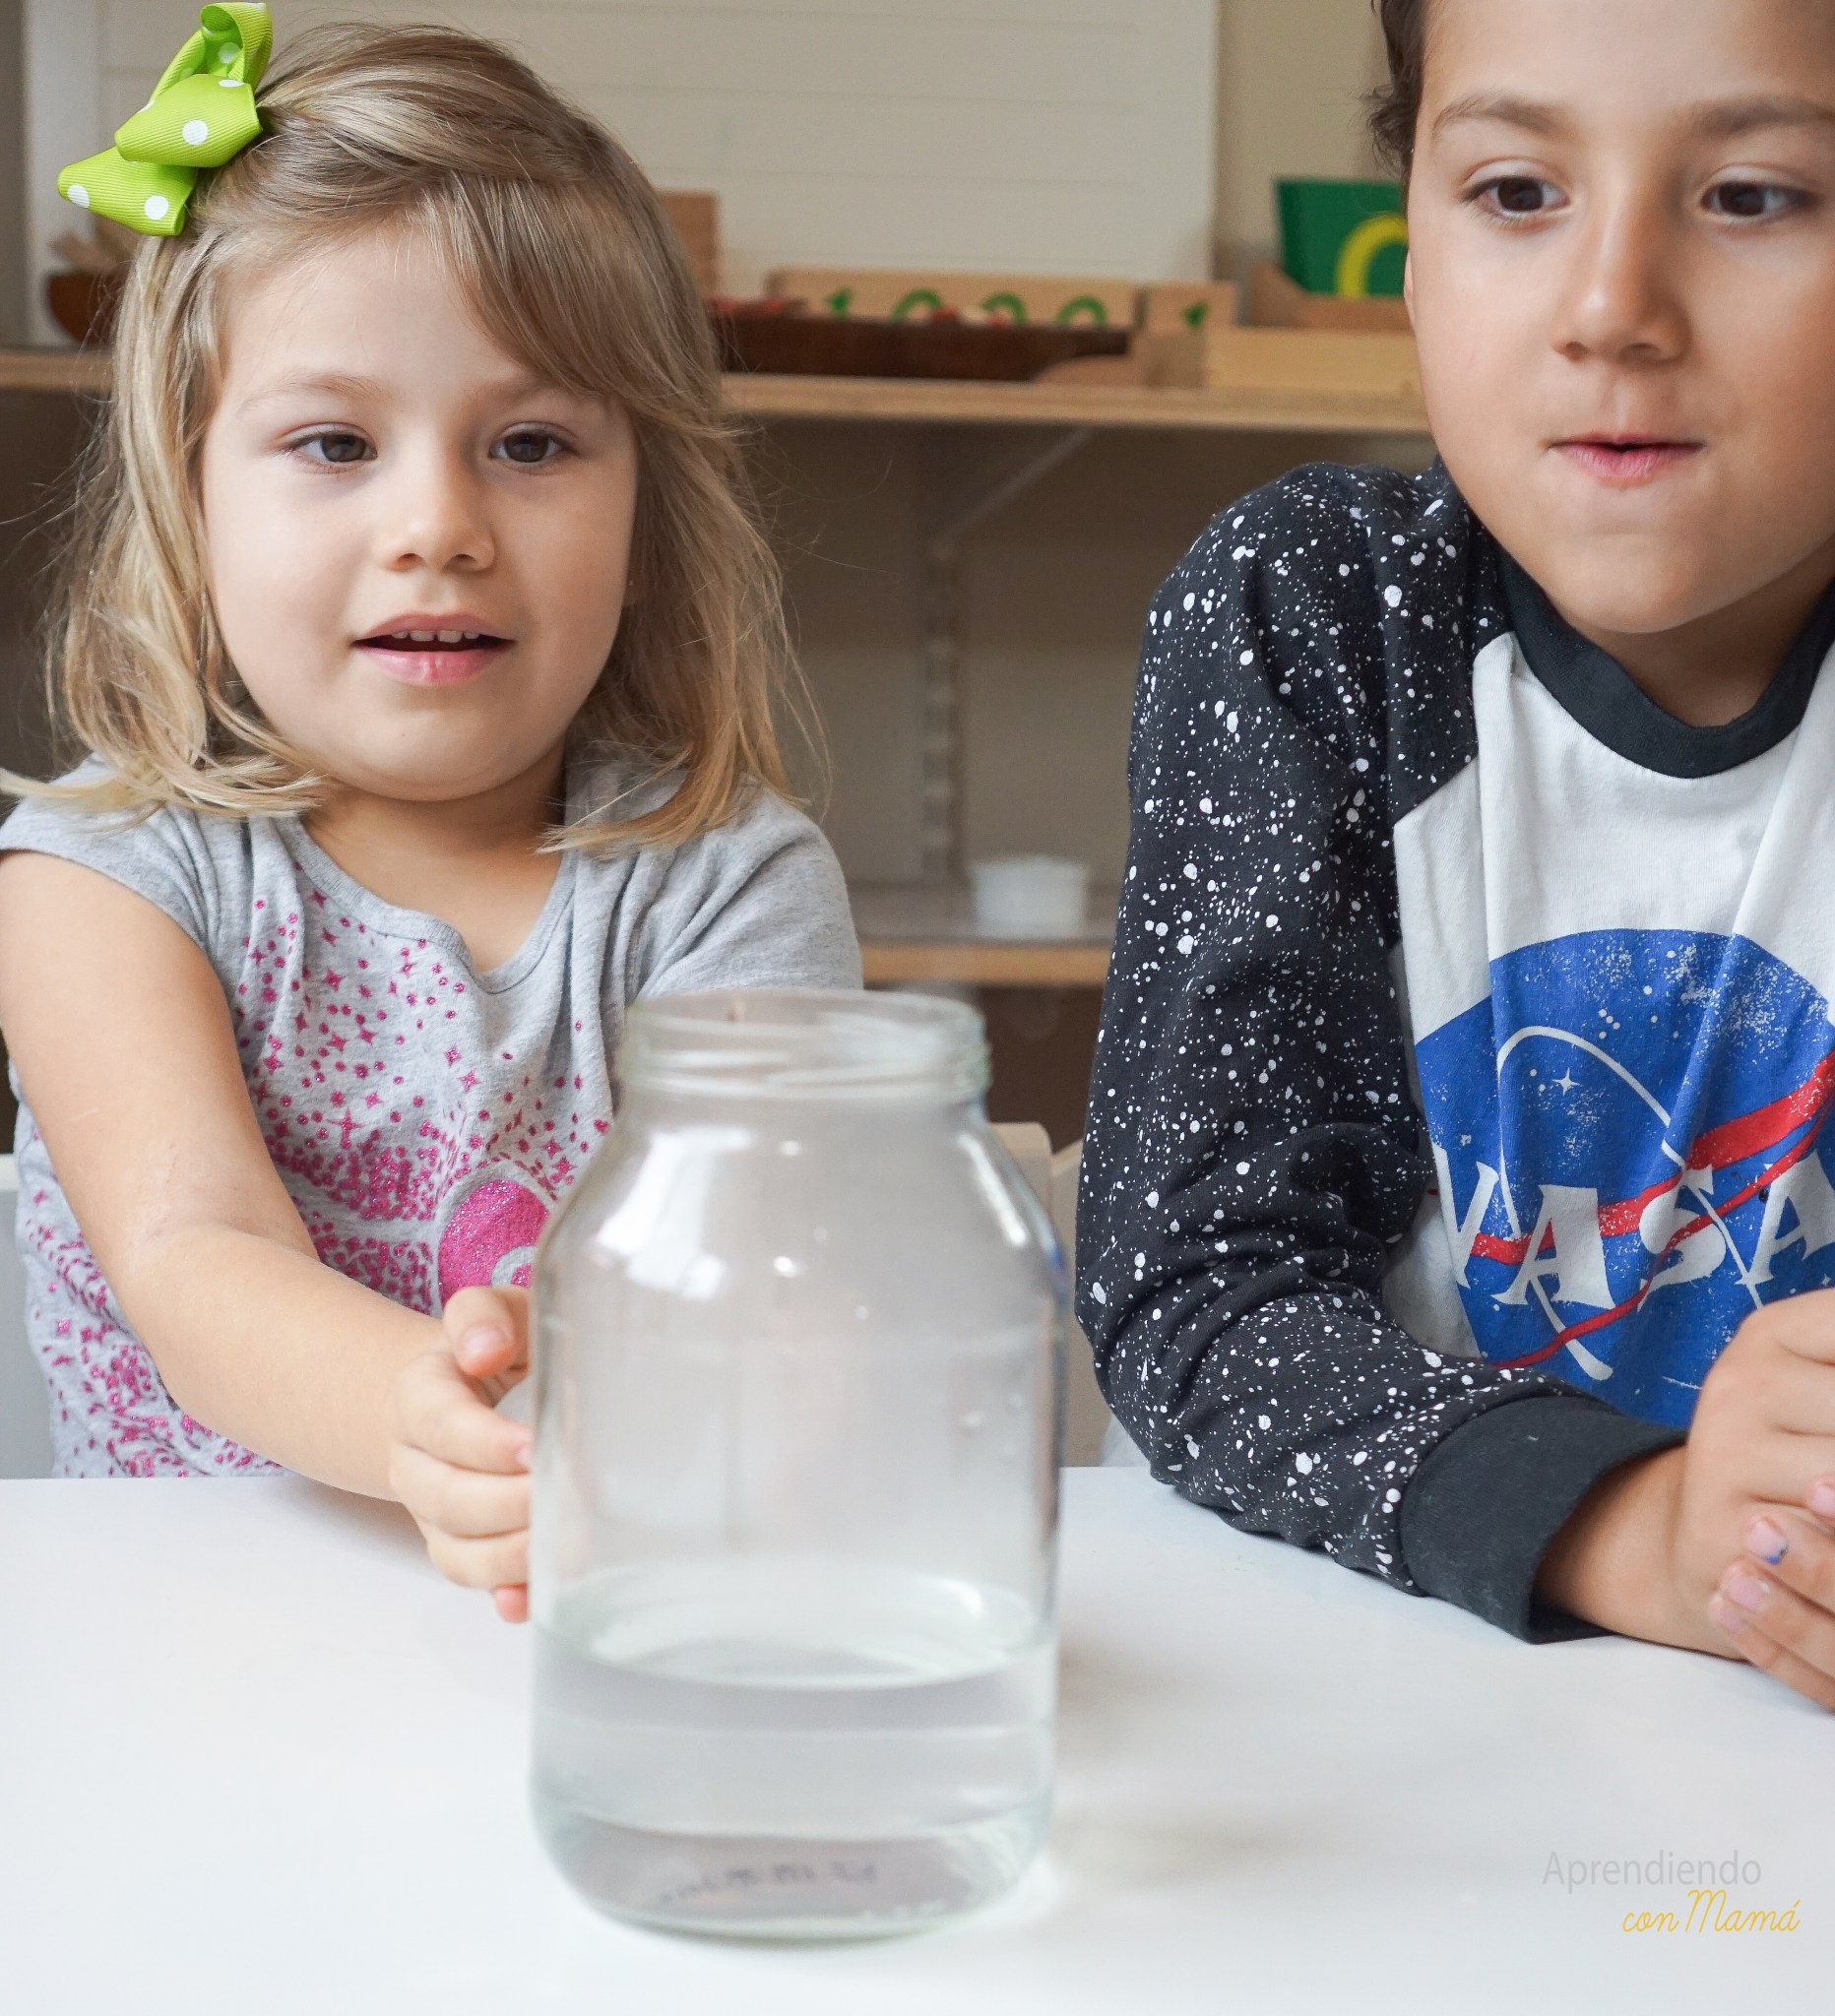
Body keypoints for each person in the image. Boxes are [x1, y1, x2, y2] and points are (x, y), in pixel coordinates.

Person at [0, 12, 858, 1621]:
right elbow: (193, 1261)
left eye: (530, 445)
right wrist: (430, 1421)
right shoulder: (102, 878)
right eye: (333, 443)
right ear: (188, 494)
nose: (438, 528)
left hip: (595, 1624)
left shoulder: (723, 885)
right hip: (183, 1655)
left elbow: (773, 1278)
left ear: (645, 502)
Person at [1079, 0, 1835, 1709]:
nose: (1612, 311)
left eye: (1752, 197)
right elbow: (1197, 1295)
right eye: (1513, 191)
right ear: (1407, 247)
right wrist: (1636, 1526)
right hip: (1380, 1705)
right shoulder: (1321, 621)